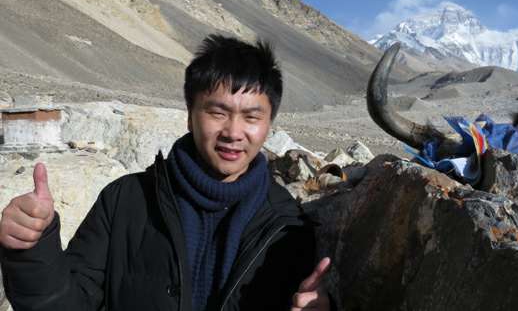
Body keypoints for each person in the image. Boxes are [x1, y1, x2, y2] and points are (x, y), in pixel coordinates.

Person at [0, 34, 331, 310]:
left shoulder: (288, 227)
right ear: (190, 115)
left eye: (251, 117)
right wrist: (33, 248)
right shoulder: (125, 202)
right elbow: (67, 304)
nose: (233, 131)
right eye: (217, 112)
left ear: (268, 125)